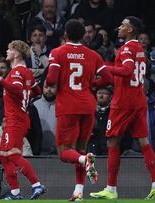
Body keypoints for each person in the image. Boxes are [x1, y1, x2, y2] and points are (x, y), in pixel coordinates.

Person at [90, 16, 155, 200]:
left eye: (123, 25)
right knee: (143, 141)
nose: (119, 28)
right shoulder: (139, 48)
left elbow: (126, 71)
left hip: (123, 102)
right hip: (139, 99)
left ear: (130, 29)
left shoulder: (125, 49)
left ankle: (111, 189)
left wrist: (104, 67)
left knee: (112, 142)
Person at [46, 19, 112, 201]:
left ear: (65, 34)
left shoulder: (57, 52)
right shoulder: (93, 55)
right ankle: (78, 191)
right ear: (83, 35)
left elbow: (51, 80)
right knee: (80, 149)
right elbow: (107, 78)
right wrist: (92, 83)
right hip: (87, 104)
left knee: (65, 152)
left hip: (68, 106)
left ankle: (85, 161)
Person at [0, 40, 45, 200]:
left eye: (9, 49)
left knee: (13, 155)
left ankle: (36, 185)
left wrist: (0, 79)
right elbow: (37, 90)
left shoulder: (16, 72)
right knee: (4, 156)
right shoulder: (26, 72)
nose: (7, 51)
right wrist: (27, 95)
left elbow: (17, 89)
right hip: (17, 118)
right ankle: (15, 193)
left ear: (16, 53)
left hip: (16, 120)